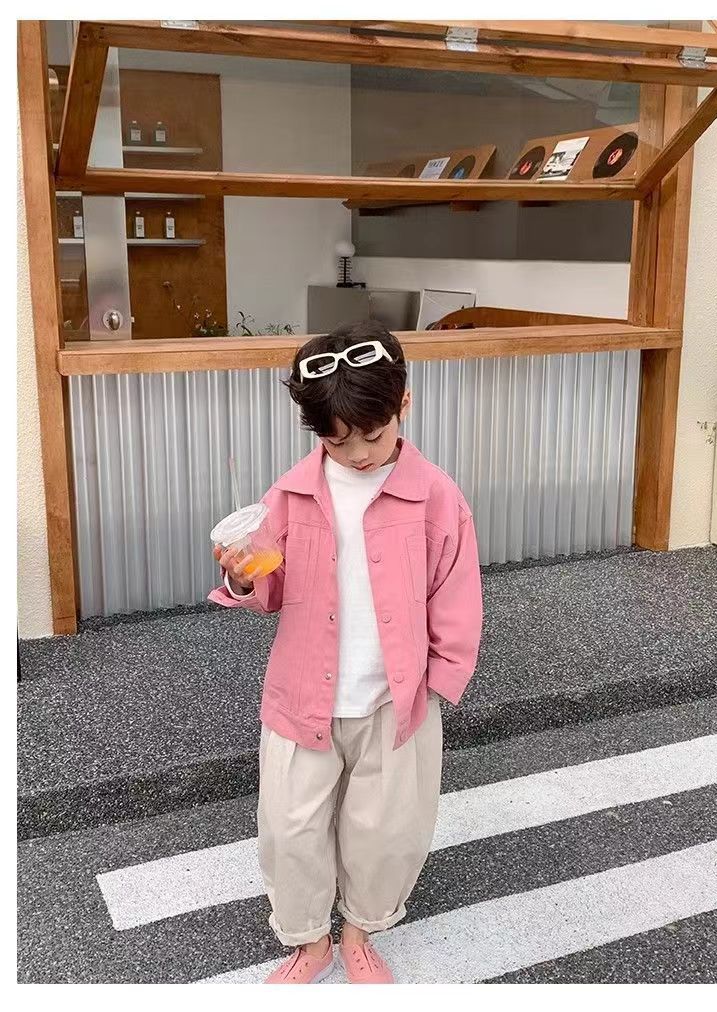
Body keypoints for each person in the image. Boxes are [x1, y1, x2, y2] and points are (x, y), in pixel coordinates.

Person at [209, 320, 483, 984]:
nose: (357, 453)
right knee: (291, 826)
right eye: (337, 440)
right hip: (303, 694)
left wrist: (441, 680)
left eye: (373, 435)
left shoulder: (436, 496)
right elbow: (269, 587)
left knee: (384, 829)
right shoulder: (290, 495)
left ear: (403, 403)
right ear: (316, 431)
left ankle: (359, 931)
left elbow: (456, 591)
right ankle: (309, 942)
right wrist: (242, 578)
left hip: (394, 697)